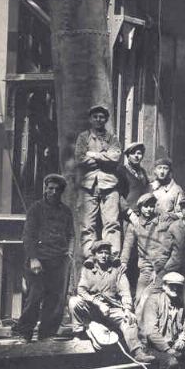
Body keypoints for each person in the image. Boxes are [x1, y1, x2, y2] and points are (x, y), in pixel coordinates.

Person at [68, 240, 154, 362]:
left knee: (129, 321)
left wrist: (128, 309)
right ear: (94, 255)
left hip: (112, 309)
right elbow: (81, 291)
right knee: (74, 302)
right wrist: (98, 303)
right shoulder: (87, 269)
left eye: (106, 253)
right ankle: (77, 335)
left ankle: (138, 352)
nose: (104, 256)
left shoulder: (117, 270)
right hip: (93, 308)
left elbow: (125, 292)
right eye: (100, 253)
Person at [12, 173, 74, 342]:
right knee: (35, 296)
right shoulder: (36, 209)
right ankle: (24, 332)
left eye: (57, 189)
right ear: (45, 189)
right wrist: (33, 258)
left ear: (61, 191)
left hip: (58, 260)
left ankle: (46, 334)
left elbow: (70, 234)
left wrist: (68, 253)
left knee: (54, 299)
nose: (53, 192)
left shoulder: (66, 211)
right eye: (50, 188)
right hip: (39, 260)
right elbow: (28, 236)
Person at [140, 272, 185, 369]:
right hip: (154, 348)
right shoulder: (153, 301)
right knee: (172, 362)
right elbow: (151, 332)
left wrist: (183, 339)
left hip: (173, 346)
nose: (175, 288)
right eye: (172, 285)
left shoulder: (178, 303)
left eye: (178, 286)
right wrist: (167, 349)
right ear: (164, 286)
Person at [74, 105, 122, 256]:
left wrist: (93, 154)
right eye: (95, 117)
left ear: (106, 119)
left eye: (101, 117)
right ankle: (88, 255)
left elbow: (115, 157)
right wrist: (104, 157)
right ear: (90, 119)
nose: (98, 120)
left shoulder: (113, 138)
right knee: (87, 225)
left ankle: (113, 254)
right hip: (88, 185)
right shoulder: (83, 137)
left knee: (112, 223)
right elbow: (80, 158)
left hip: (109, 185)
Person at [120, 193, 176, 317]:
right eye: (146, 206)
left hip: (162, 267)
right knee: (139, 297)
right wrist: (123, 262)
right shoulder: (134, 225)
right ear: (140, 207)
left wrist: (159, 268)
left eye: (151, 206)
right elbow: (127, 245)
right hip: (145, 267)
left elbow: (180, 219)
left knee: (149, 296)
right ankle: (139, 327)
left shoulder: (162, 220)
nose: (149, 210)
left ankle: (149, 327)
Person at [161, 196, 185, 312]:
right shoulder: (174, 227)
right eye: (184, 207)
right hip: (174, 267)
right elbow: (165, 251)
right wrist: (158, 270)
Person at [117, 141, 151, 226]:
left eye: (139, 153)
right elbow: (118, 195)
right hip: (127, 216)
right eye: (132, 153)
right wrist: (129, 212)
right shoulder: (121, 171)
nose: (136, 156)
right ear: (128, 156)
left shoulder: (142, 172)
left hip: (142, 215)